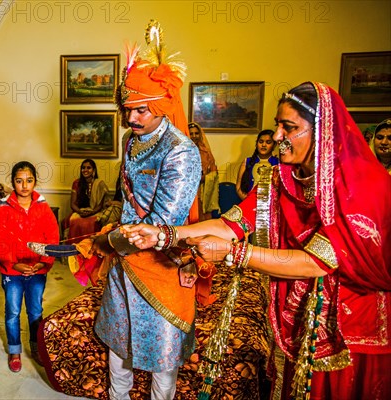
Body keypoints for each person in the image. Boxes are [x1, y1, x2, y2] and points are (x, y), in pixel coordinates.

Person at [123, 82, 391, 399]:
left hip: (349, 329)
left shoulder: (363, 186)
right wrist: (166, 233)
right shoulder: (280, 179)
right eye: (278, 125)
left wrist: (234, 255)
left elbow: (316, 262)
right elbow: (231, 223)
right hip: (299, 315)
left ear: (323, 132)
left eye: (288, 127)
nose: (277, 136)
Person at [90, 20, 202, 399]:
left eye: (140, 111)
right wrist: (108, 228)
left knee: (161, 356)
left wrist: (108, 241)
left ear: (160, 105)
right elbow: (127, 200)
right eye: (127, 110)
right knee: (118, 345)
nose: (131, 119)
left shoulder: (181, 151)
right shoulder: (131, 139)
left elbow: (162, 223)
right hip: (125, 264)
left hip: (161, 264)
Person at [0, 161, 59, 372]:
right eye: (19, 181)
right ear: (13, 182)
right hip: (13, 272)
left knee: (35, 311)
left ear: (35, 182)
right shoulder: (4, 209)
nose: (24, 186)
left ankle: (37, 348)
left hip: (38, 270)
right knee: (12, 311)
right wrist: (14, 263)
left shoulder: (43, 207)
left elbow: (53, 238)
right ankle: (14, 350)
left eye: (29, 181)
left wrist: (43, 261)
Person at [64, 159, 110, 242]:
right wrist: (80, 212)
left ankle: (90, 247)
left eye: (88, 168)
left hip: (95, 211)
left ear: (94, 170)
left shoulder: (99, 184)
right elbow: (73, 204)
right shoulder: (76, 183)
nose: (85, 170)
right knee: (74, 220)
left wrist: (91, 213)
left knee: (93, 222)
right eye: (83, 168)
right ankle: (75, 247)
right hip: (80, 211)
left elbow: (100, 205)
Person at [188, 122, 219, 220]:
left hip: (204, 191)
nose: (194, 136)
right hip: (188, 192)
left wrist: (206, 177)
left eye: (196, 133)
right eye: (191, 133)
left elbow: (214, 171)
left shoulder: (205, 152)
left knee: (203, 219)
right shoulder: (183, 151)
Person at [235, 129, 278, 201]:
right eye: (261, 142)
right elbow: (238, 188)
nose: (264, 145)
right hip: (248, 202)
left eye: (268, 142)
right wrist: (248, 202)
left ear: (274, 145)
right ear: (256, 143)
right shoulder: (247, 161)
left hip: (271, 205)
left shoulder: (278, 163)